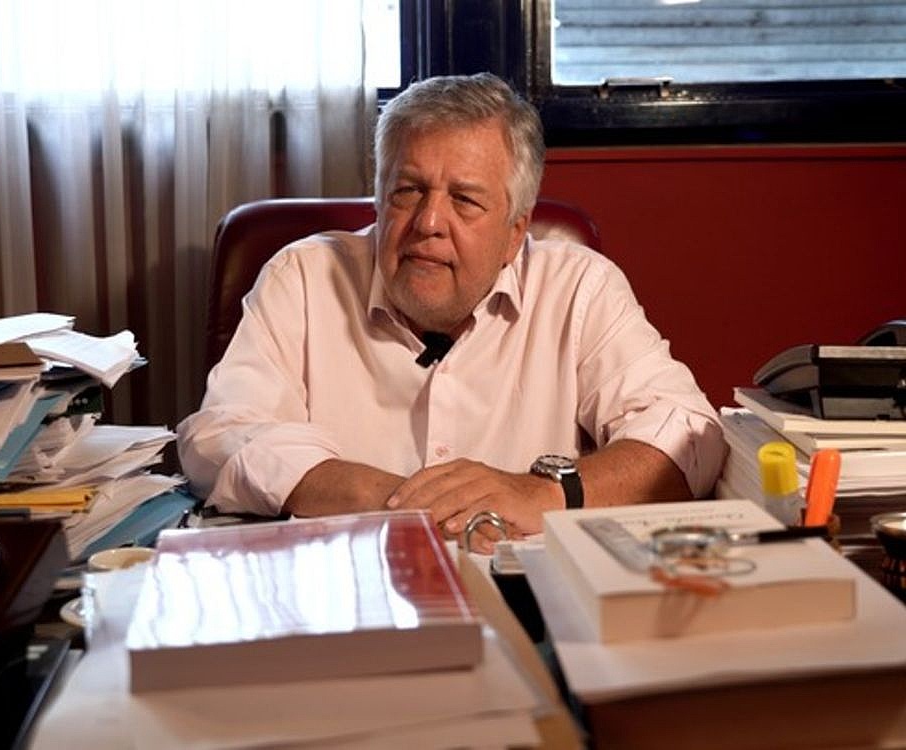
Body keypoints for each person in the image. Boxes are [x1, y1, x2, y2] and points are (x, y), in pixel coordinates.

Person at [177, 73, 726, 552]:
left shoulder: (579, 287)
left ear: (515, 231)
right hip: (347, 589)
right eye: (408, 191)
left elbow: (689, 434)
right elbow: (219, 436)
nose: (429, 223)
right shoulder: (302, 277)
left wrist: (540, 493)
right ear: (379, 197)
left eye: (464, 199)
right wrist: (398, 500)